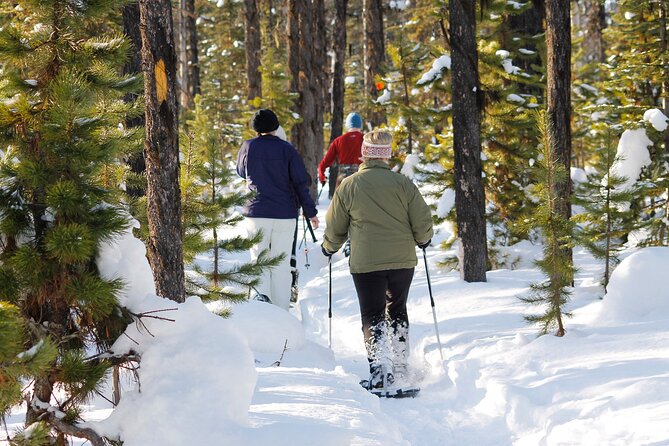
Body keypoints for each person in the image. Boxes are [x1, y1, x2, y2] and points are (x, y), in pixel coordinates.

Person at [321, 129, 433, 391]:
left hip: (367, 262)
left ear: (364, 154)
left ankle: (380, 372)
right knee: (397, 309)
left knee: (372, 314)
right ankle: (401, 367)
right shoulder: (403, 184)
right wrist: (424, 239)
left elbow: (335, 227)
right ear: (387, 154)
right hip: (402, 260)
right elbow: (422, 219)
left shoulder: (349, 186)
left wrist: (328, 248)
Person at [237, 109, 319, 310]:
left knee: (259, 260)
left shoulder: (248, 146)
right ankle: (281, 310)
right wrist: (311, 212)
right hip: (284, 214)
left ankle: (262, 308)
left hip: (256, 213)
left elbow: (240, 171)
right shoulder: (287, 149)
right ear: (275, 127)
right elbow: (300, 182)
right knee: (281, 264)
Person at [318, 112, 364, 191]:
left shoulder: (338, 141)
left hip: (343, 179)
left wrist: (322, 176)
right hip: (361, 179)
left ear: (347, 125)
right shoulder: (366, 140)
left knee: (340, 202)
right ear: (360, 124)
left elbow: (325, 162)